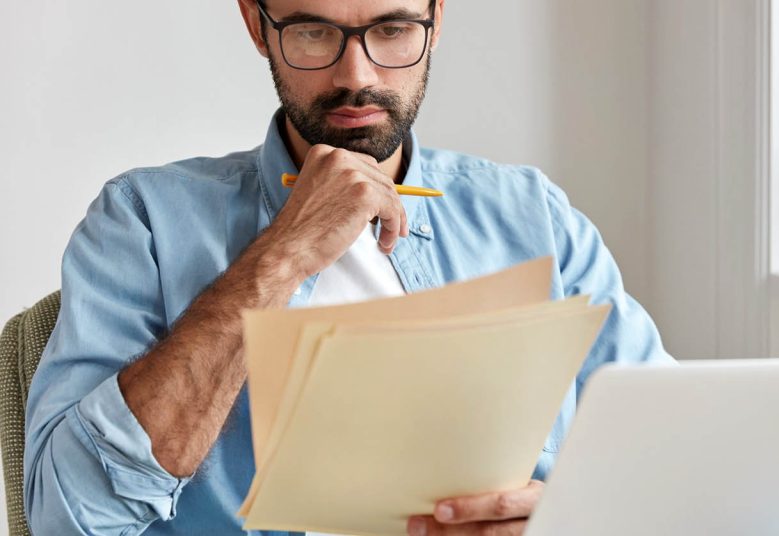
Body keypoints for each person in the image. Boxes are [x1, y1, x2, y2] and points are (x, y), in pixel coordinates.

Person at [22, 1, 673, 534]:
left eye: (392, 29)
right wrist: (280, 256)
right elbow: (68, 518)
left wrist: (561, 519)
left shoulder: (532, 215)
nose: (355, 75)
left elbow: (666, 463)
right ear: (258, 26)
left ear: (436, 20)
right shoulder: (144, 220)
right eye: (313, 31)